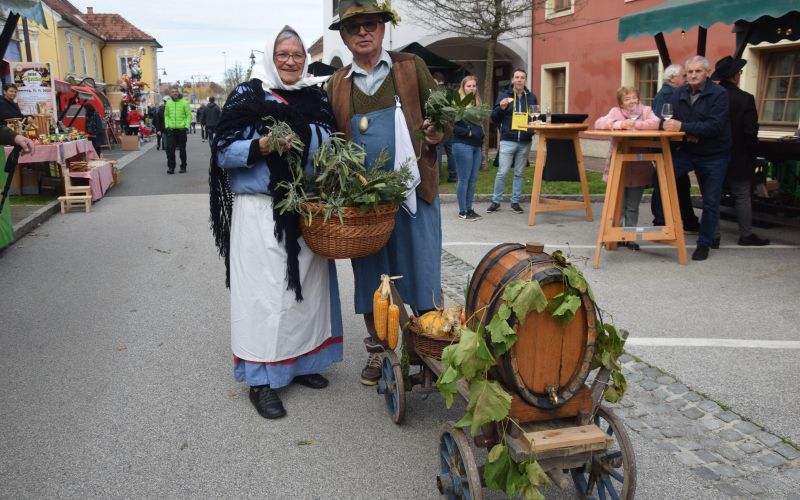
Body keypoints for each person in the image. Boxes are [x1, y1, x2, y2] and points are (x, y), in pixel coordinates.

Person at [210, 26, 342, 420]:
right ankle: (261, 381)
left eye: (297, 54)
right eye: (283, 53)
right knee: (265, 296)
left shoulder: (315, 98)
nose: (290, 60)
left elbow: (331, 140)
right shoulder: (248, 95)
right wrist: (263, 145)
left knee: (307, 293)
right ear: (270, 56)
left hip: (306, 208)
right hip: (261, 210)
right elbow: (223, 151)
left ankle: (302, 364)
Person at [326, 0, 445, 385]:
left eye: (370, 24)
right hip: (366, 203)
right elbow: (331, 142)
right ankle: (380, 351)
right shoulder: (336, 84)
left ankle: (431, 346)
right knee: (371, 276)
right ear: (344, 36)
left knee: (422, 268)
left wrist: (439, 131)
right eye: (354, 27)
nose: (363, 32)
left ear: (382, 28)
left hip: (416, 192)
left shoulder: (410, 67)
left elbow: (443, 117)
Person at [663, 56, 731, 261]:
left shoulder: (720, 93)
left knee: (710, 201)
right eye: (690, 71)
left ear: (707, 73)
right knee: (663, 175)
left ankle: (704, 243)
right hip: (688, 151)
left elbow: (715, 126)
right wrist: (681, 129)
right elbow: (668, 119)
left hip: (714, 154)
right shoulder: (679, 93)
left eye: (698, 71)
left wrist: (685, 127)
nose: (693, 75)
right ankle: (665, 225)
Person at [711, 56, 769, 247]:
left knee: (713, 196)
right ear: (736, 76)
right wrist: (752, 155)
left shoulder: (710, 97)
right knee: (742, 195)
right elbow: (751, 132)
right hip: (739, 154)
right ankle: (746, 234)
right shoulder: (745, 99)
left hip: (713, 154)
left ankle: (713, 235)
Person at [595, 87, 660, 250]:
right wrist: (620, 124)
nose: (631, 101)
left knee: (632, 205)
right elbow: (599, 123)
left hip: (639, 166)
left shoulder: (646, 110)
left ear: (638, 98)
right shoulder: (616, 112)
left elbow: (656, 123)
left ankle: (630, 236)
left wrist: (636, 125)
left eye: (633, 98)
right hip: (619, 166)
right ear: (621, 102)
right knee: (618, 204)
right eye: (627, 99)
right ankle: (615, 235)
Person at [651, 64, 700, 232]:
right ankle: (661, 220)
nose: (686, 80)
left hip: (673, 146)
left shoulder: (672, 94)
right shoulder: (666, 95)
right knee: (665, 182)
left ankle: (686, 220)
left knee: (679, 182)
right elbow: (660, 123)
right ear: (672, 78)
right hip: (669, 147)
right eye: (683, 76)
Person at [487, 68, 537, 214]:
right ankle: (496, 202)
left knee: (519, 173)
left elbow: (536, 117)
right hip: (508, 140)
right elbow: (494, 117)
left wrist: (534, 126)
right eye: (517, 77)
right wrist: (501, 108)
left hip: (525, 141)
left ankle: (515, 202)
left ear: (525, 80)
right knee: (502, 173)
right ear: (512, 80)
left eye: (522, 77)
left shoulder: (532, 97)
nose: (519, 80)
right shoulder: (504, 96)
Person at [451, 76, 484, 221]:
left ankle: (470, 209)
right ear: (463, 88)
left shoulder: (477, 103)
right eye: (469, 86)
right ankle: (462, 210)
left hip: (476, 146)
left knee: (473, 179)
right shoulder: (457, 104)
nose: (472, 88)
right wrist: (469, 132)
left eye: (474, 86)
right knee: (464, 179)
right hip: (462, 145)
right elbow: (452, 126)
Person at [164, 85, 191, 174]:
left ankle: (183, 166)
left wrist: (186, 126)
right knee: (171, 150)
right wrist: (167, 125)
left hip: (181, 130)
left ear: (178, 92)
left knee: (182, 149)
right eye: (173, 92)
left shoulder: (184, 102)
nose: (174, 93)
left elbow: (188, 116)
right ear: (170, 93)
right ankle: (171, 168)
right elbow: (166, 115)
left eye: (176, 91)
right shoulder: (168, 103)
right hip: (171, 130)